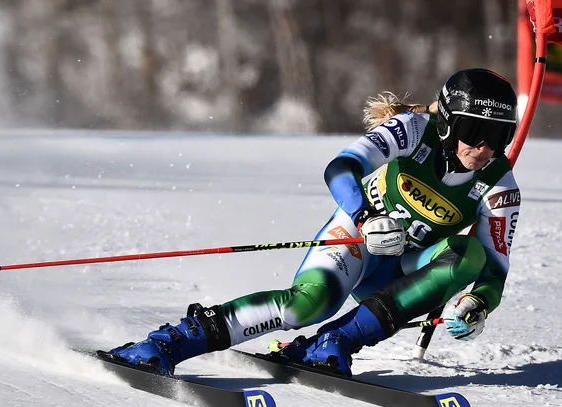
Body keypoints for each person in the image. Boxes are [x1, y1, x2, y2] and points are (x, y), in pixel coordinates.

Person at [109, 68, 521, 376]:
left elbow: (495, 268)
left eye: (499, 136)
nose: (484, 148)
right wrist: (366, 216)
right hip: (356, 238)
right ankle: (169, 342)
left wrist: (478, 303)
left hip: (403, 272)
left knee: (469, 254)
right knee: (307, 304)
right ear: (448, 123)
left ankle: (334, 342)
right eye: (473, 131)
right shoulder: (413, 129)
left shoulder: (500, 184)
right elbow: (341, 167)